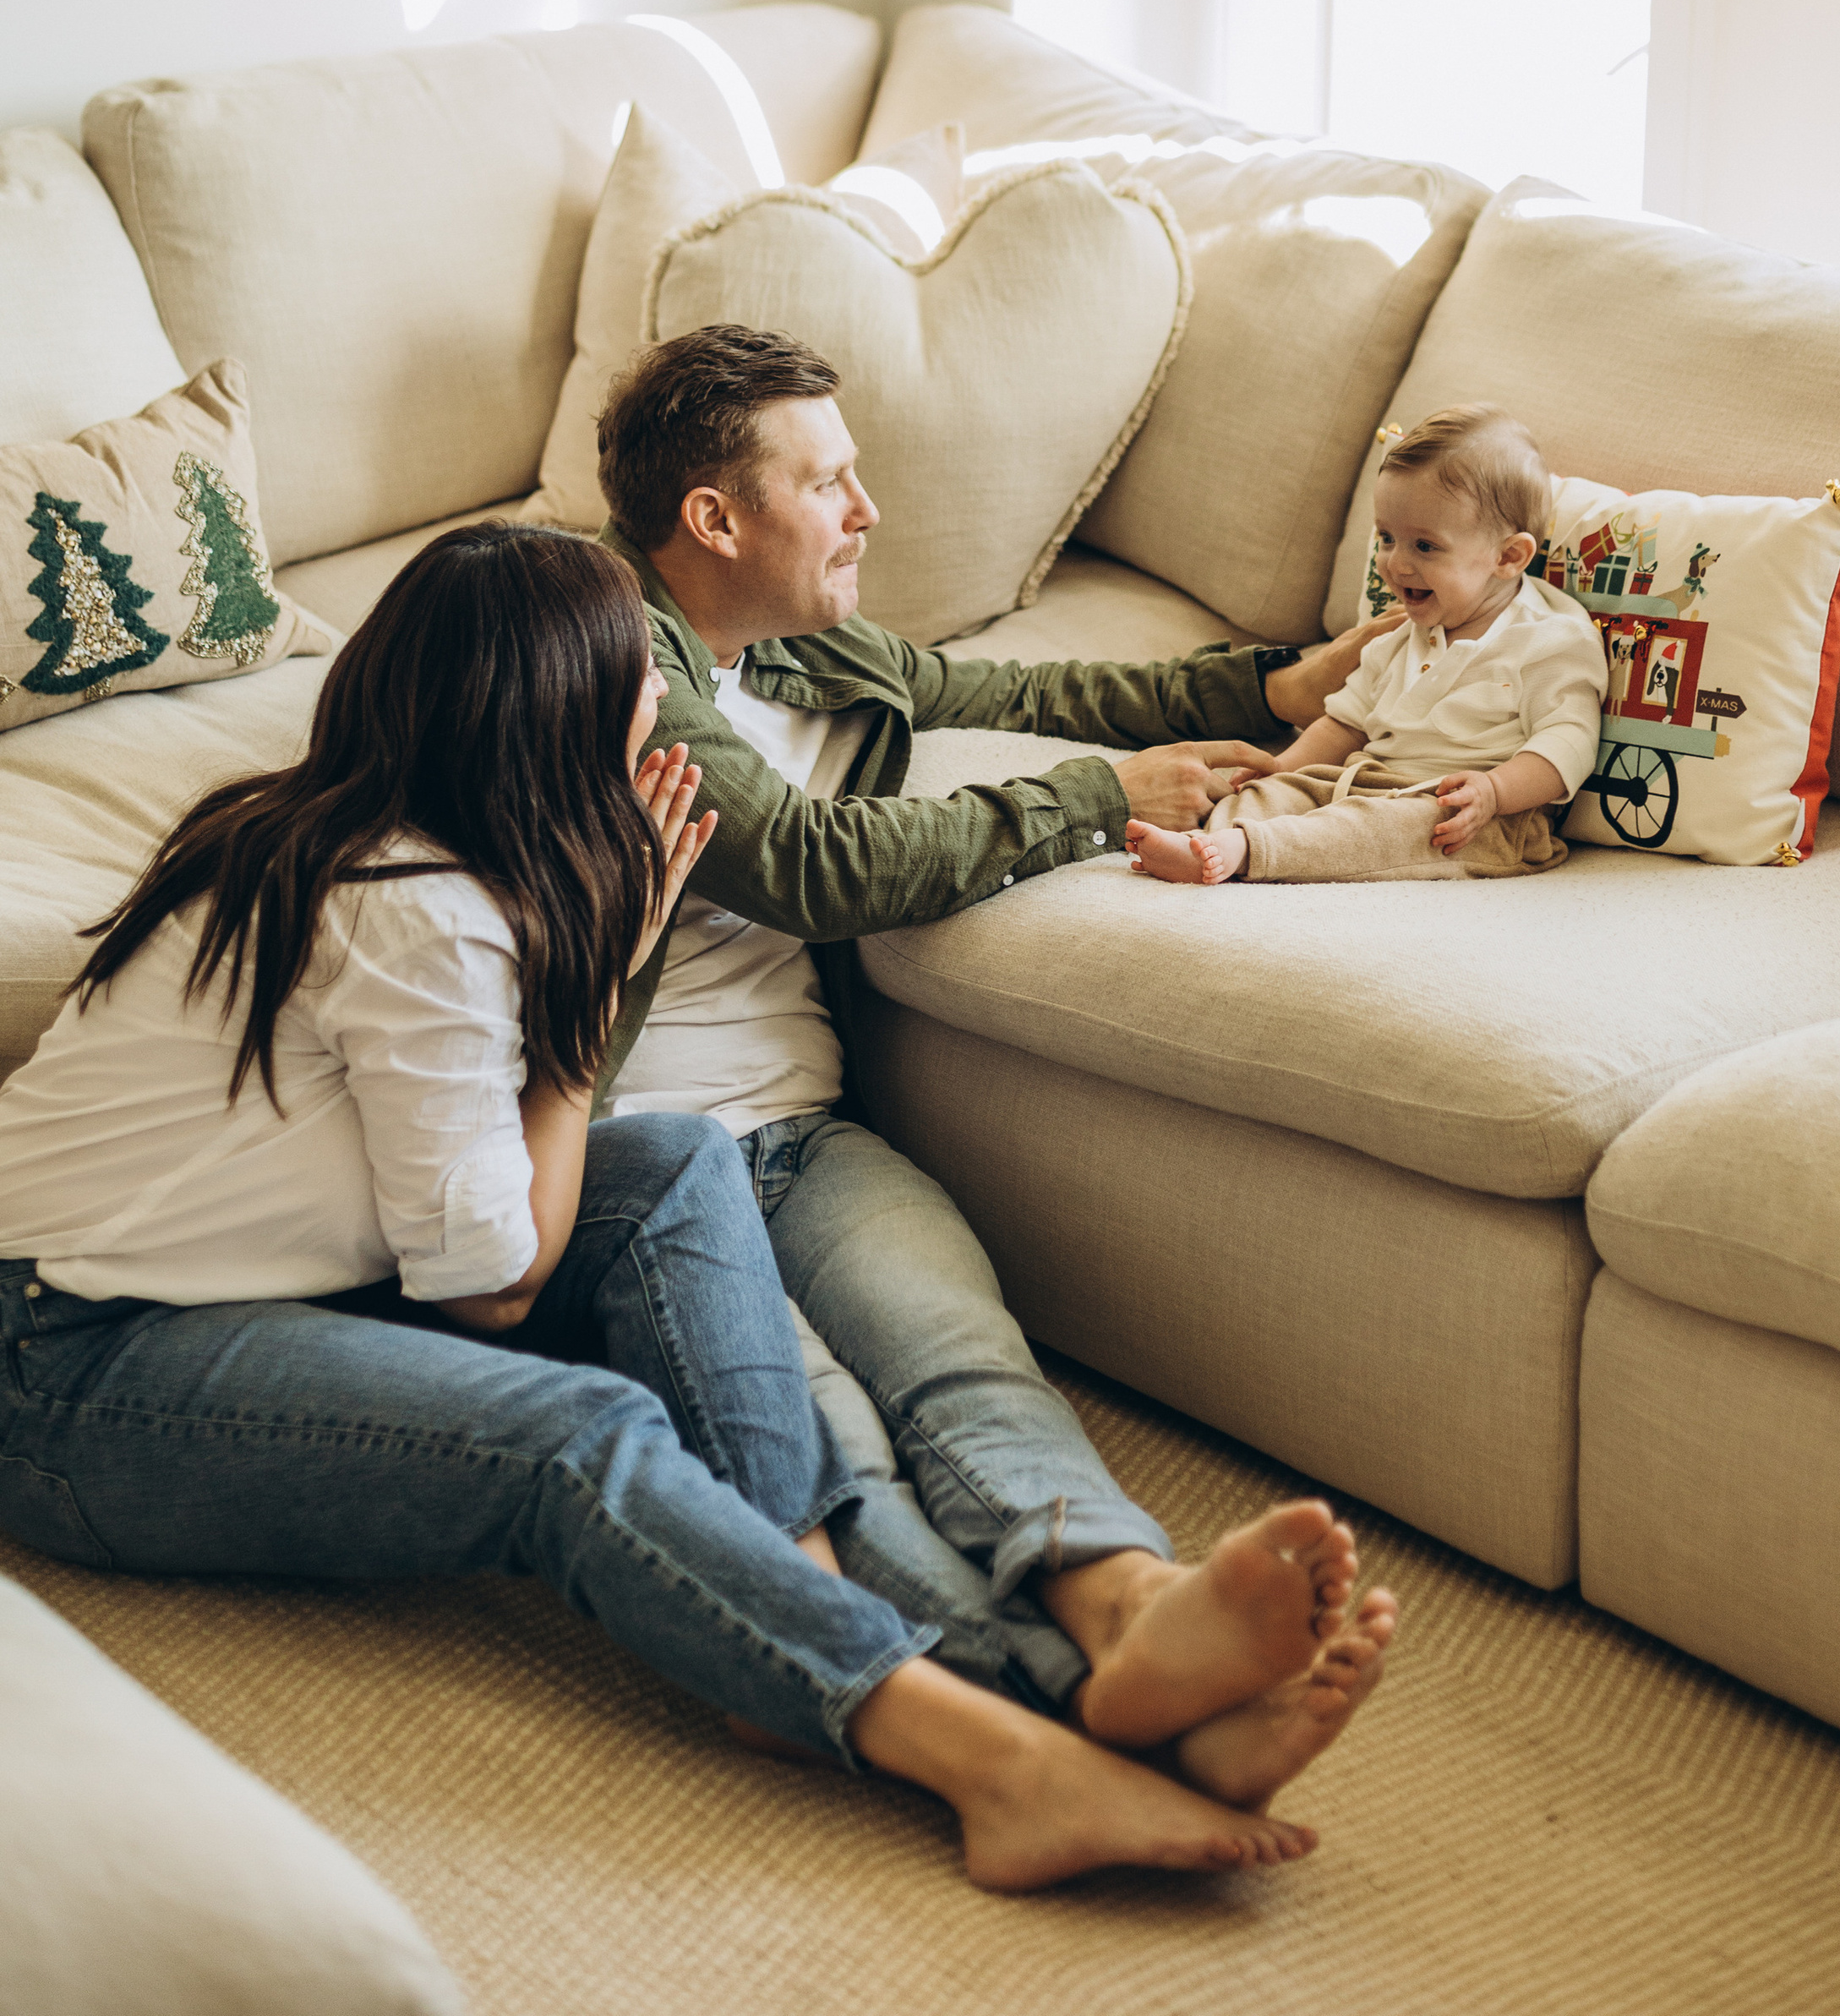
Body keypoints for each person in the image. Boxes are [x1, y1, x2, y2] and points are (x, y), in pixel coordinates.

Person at [0, 526, 1373, 1888]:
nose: (660, 700)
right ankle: (1013, 1750)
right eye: (633, 679)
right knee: (578, 1438)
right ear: (558, 717)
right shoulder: (417, 909)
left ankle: (826, 1643)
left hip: (257, 1287)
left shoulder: (378, 842)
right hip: (68, 1362)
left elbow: (491, 1215)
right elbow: (493, 1283)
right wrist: (594, 1007)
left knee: (673, 1164)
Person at [587, 329, 1398, 1777]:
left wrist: (1272, 689)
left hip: (802, 1132)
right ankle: (1074, 1705)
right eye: (828, 480)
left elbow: (1008, 695)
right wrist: (1095, 804)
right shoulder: (609, 656)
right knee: (828, 1443)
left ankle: (1135, 1605)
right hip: (639, 1161)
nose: (867, 508)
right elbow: (803, 864)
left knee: (964, 1361)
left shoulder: (794, 646)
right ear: (714, 520)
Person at [1127, 406, 1605, 886]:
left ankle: (1243, 851)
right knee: (1281, 793)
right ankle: (1214, 836)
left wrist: (1496, 791)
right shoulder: (1402, 633)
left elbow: (1568, 742)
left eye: (1425, 546)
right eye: (1387, 537)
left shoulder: (1550, 638)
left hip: (1474, 817)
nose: (1395, 564)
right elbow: (1345, 724)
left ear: (1508, 556)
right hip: (1364, 781)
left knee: (1377, 829)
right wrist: (1279, 770)